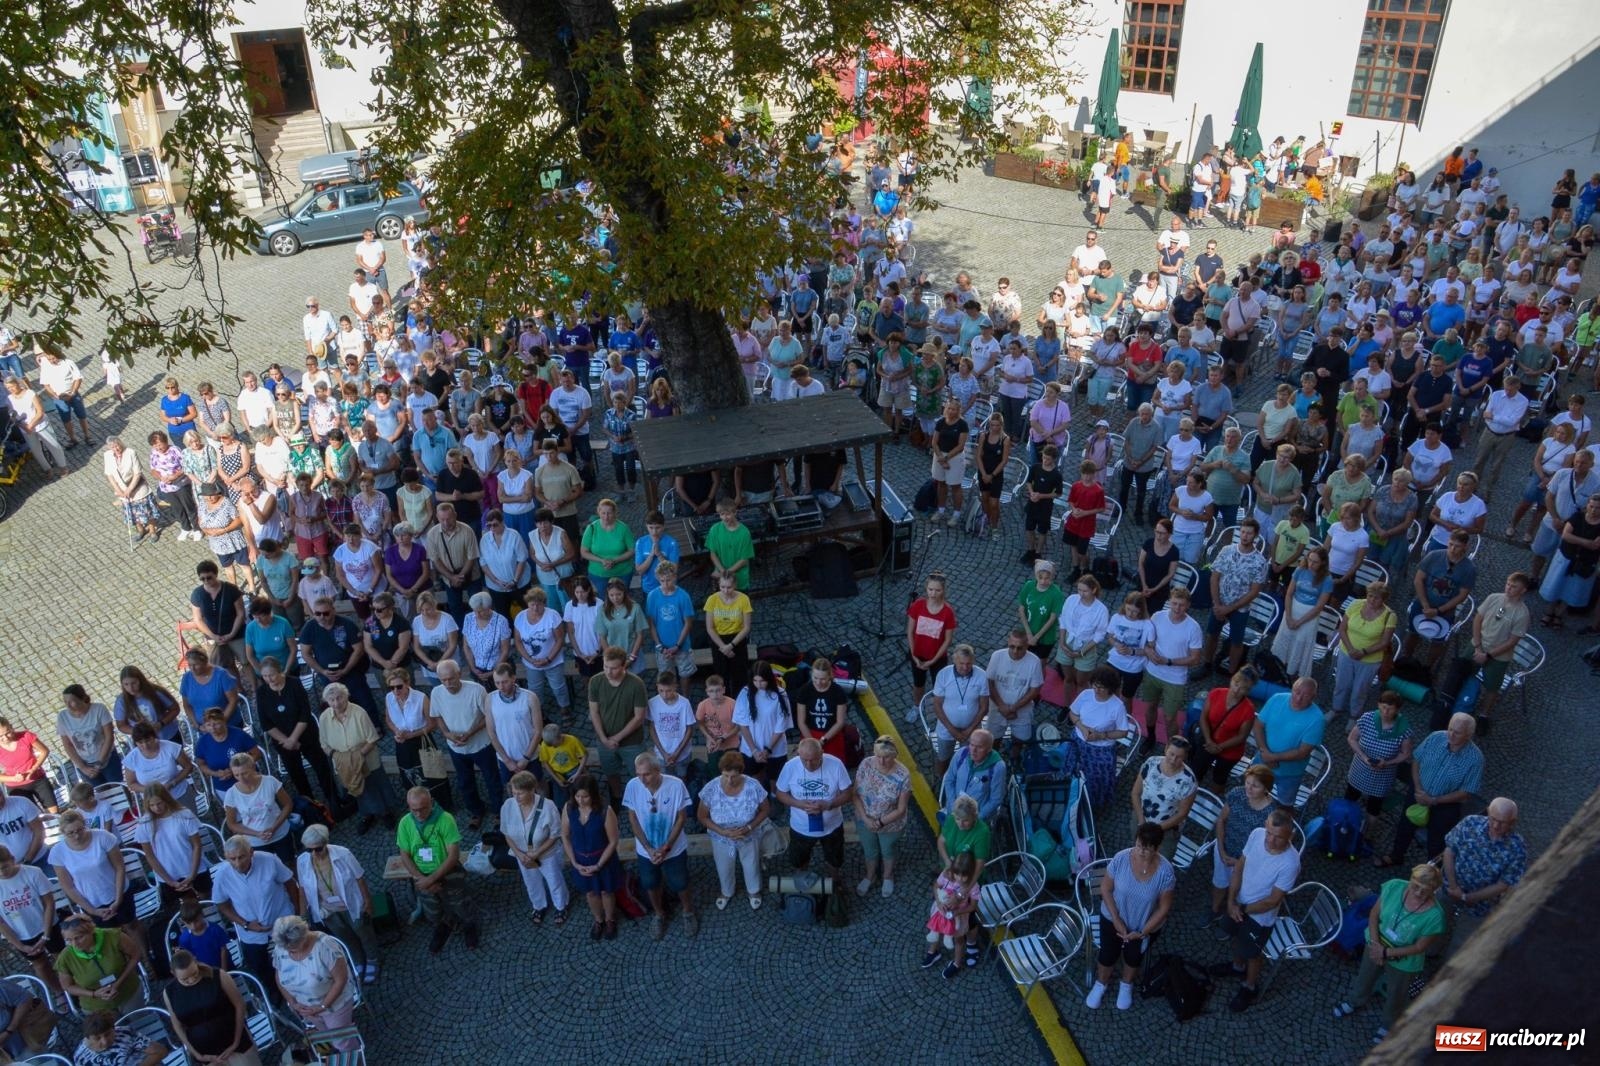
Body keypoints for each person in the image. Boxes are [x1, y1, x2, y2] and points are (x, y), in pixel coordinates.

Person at [1331, 865, 1446, 1042]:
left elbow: (1419, 948)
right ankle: (1355, 1000)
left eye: (1425, 890)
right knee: (1365, 976)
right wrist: (1376, 945)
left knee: (1397, 993)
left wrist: (1385, 952)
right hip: (1377, 943)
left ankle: (1388, 1023)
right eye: (1415, 886)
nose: (1418, 893)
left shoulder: (1435, 916)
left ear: (1434, 890)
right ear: (1410, 880)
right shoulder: (1393, 887)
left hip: (1403, 959)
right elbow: (1374, 915)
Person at [1208, 809, 1301, 1012]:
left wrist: (1240, 908)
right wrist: (1231, 900)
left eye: (1278, 837)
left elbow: (1273, 901)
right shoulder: (1257, 834)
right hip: (1239, 904)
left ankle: (1249, 986)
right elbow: (1241, 865)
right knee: (1236, 937)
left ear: (1290, 836)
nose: (1270, 840)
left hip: (1260, 918)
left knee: (1253, 953)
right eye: (1269, 833)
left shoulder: (1290, 862)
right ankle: (1237, 967)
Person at [1085, 821, 1177, 1011]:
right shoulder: (1121, 858)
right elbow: (1106, 888)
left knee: (1133, 956)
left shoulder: (1166, 872)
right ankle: (1101, 983)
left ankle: (1126, 984)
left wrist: (1143, 932)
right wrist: (1117, 919)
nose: (1141, 851)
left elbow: (1163, 908)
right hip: (1113, 917)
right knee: (1107, 953)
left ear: (1157, 848)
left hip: (1142, 924)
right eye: (1138, 845)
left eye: (1147, 848)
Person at [1379, 713, 1483, 868]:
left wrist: (1435, 800)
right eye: (1450, 729)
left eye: (1457, 732)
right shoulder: (1435, 737)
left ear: (1469, 735)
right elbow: (1417, 760)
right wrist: (1418, 788)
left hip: (1446, 804)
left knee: (1437, 841)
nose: (1451, 735)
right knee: (1405, 826)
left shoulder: (1475, 759)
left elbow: (1466, 792)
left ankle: (1430, 872)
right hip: (1419, 791)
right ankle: (1396, 856)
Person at [396, 785, 477, 953]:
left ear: (431, 803)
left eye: (422, 809)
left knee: (461, 904)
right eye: (414, 810)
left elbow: (453, 855)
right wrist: (421, 879)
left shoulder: (445, 819)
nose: (418, 814)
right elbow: (404, 854)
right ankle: (443, 925)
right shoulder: (405, 823)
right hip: (422, 875)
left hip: (448, 871)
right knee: (432, 910)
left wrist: (430, 880)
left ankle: (469, 926)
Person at [1441, 797, 1526, 953]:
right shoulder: (1470, 823)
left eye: (1502, 822)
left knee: (1461, 946)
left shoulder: (1517, 847)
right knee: (1436, 927)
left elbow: (1504, 883)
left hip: (1479, 906)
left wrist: (1470, 898)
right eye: (1493, 819)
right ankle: (1430, 955)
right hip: (1448, 890)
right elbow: (1449, 851)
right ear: (1488, 811)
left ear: (1513, 821)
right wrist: (1453, 887)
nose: (1496, 825)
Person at [295, 823, 377, 984]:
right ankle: (358, 959)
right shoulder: (302, 861)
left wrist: (367, 902)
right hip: (327, 910)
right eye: (308, 849)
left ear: (326, 844)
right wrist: (303, 915)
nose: (313, 853)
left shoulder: (343, 854)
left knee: (363, 932)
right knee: (344, 936)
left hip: (351, 905)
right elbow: (303, 889)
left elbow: (359, 878)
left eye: (317, 849)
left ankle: (373, 958)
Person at [428, 660, 502, 829]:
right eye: (443, 680)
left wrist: (470, 733)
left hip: (481, 745)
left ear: (459, 674)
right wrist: (447, 734)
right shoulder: (437, 693)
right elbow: (437, 715)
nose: (447, 684)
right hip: (456, 747)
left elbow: (488, 717)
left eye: (451, 679)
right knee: (464, 782)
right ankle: (476, 811)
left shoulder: (477, 690)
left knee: (491, 779)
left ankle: (498, 811)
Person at [695, 752, 769, 914]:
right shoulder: (711, 788)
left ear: (741, 772)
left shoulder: (753, 785)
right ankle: (727, 891)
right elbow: (702, 816)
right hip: (721, 837)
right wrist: (723, 832)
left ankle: (753, 890)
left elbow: (765, 810)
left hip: (748, 834)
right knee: (724, 866)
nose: (729, 780)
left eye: (734, 776)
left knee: (751, 864)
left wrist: (749, 828)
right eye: (726, 775)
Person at [271, 915, 358, 1052]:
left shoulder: (325, 945)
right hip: (306, 1009)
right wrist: (293, 1003)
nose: (288, 952)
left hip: (335, 1005)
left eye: (293, 949)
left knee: (342, 1043)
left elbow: (341, 980)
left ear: (303, 937)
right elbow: (279, 976)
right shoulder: (282, 947)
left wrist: (322, 1006)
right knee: (324, 1039)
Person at [164, 949, 261, 1066]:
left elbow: (239, 1006)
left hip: (236, 1044)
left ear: (196, 961)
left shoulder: (218, 976)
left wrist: (236, 1042)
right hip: (206, 1053)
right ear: (173, 973)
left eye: (194, 973)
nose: (191, 980)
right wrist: (195, 1053)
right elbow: (177, 1026)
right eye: (184, 979)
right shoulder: (170, 992)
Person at [776, 738, 854, 880]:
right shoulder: (790, 766)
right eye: (804, 760)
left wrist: (829, 805)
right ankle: (802, 883)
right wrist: (800, 804)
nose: (808, 764)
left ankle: (835, 883)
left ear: (822, 754)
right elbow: (780, 793)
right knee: (799, 860)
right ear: (798, 754)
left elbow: (848, 793)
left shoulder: (836, 764)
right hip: (800, 827)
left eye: (813, 760)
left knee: (834, 859)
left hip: (832, 827)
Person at [498, 770, 568, 926]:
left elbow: (555, 834)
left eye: (520, 793)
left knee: (554, 880)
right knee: (531, 881)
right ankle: (539, 905)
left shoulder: (548, 806)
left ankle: (561, 906)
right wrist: (519, 854)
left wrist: (536, 853)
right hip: (522, 854)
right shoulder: (508, 806)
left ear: (532, 790)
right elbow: (506, 833)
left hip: (547, 853)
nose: (516, 797)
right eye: (514, 792)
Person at [1136, 587, 1204, 742]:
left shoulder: (1193, 628)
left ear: (1188, 606)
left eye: (1181, 605)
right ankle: (1150, 737)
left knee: (1169, 718)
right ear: (1169, 602)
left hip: (1175, 679)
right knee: (1150, 708)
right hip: (1152, 672)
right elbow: (1144, 641)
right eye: (1174, 604)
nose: (1177, 608)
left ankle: (1171, 747)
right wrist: (1148, 651)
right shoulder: (1157, 617)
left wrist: (1169, 662)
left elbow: (1195, 659)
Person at [561, 773, 623, 941]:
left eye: (585, 796)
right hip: (580, 860)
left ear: (593, 794)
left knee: (606, 892)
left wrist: (599, 864)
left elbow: (613, 841)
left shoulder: (605, 811)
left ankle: (610, 919)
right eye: (578, 796)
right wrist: (574, 862)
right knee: (590, 893)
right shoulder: (569, 809)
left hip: (603, 859)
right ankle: (598, 920)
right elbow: (565, 836)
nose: (581, 800)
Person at [1466, 572, 1531, 729]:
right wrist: (1477, 646)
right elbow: (1477, 620)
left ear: (1523, 591)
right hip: (1478, 644)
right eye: (1508, 583)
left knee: (1492, 687)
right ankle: (1457, 700)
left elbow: (1512, 641)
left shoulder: (1522, 614)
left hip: (1499, 656)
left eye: (1514, 586)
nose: (1509, 588)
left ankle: (1484, 715)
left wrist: (1487, 655)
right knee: (1461, 668)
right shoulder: (1493, 597)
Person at [1204, 519, 1268, 676]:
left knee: (1236, 641)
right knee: (1212, 634)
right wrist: (1217, 603)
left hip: (1241, 608)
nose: (1245, 536)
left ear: (1256, 536)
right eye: (1243, 532)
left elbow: (1254, 592)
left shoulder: (1260, 562)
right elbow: (1214, 577)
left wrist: (1229, 608)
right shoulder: (1227, 550)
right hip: (1220, 603)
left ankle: (1232, 673)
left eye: (1249, 533)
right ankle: (1206, 664)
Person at [587, 647, 649, 807]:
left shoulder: (636, 684)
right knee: (610, 771)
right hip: (604, 740)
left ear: (623, 666)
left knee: (638, 772)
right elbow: (594, 712)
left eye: (613, 668)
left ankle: (641, 798)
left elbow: (639, 717)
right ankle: (616, 795)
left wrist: (616, 738)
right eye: (606, 667)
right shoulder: (595, 681)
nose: (608, 671)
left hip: (632, 742)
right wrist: (603, 738)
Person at [1331, 581, 1397, 721]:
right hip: (1346, 652)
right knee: (1341, 684)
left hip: (1370, 660)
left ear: (1384, 599)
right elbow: (1342, 629)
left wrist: (1363, 652)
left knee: (1359, 690)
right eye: (1370, 596)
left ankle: (1354, 716)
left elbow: (1384, 642)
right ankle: (1336, 709)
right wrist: (1350, 649)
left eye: (1376, 598)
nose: (1372, 600)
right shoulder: (1355, 604)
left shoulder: (1390, 616)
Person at [1189, 668, 1258, 788]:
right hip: (1207, 742)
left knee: (1219, 779)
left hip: (1230, 752)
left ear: (1247, 691)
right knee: (1195, 774)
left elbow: (1241, 737)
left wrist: (1219, 747)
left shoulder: (1248, 710)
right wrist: (1209, 741)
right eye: (1236, 683)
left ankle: (1214, 798)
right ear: (1232, 680)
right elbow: (1203, 718)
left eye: (1242, 688)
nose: (1236, 690)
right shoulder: (1216, 693)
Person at [928, 645, 988, 782]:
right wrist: (952, 730)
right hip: (946, 729)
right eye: (962, 663)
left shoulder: (981, 675)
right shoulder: (943, 674)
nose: (965, 668)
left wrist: (969, 730)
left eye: (969, 664)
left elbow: (984, 707)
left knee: (969, 758)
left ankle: (963, 780)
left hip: (971, 729)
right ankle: (941, 780)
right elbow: (937, 705)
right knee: (943, 757)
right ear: (954, 660)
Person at [921, 851, 981, 981]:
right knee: (936, 928)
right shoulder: (947, 875)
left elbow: (973, 907)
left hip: (960, 915)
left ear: (970, 874)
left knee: (959, 939)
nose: (959, 878)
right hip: (942, 909)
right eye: (957, 874)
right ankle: (933, 952)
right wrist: (938, 902)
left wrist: (956, 913)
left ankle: (957, 963)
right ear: (952, 870)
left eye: (963, 876)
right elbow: (936, 886)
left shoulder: (973, 886)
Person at [905, 573, 956, 721]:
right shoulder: (918, 605)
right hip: (918, 653)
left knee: (939, 687)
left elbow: (947, 640)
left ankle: (937, 711)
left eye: (937, 590)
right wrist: (914, 655)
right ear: (926, 589)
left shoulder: (948, 612)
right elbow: (910, 631)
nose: (933, 593)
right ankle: (916, 707)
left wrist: (933, 660)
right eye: (930, 589)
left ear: (944, 591)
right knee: (918, 683)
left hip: (937, 657)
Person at [122, 722, 197, 814]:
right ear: (135, 742)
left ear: (154, 737)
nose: (145, 745)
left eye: (148, 740)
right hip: (153, 803)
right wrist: (151, 790)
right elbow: (131, 783)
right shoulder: (132, 758)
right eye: (140, 742)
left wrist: (172, 783)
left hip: (179, 794)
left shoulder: (170, 747)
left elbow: (188, 767)